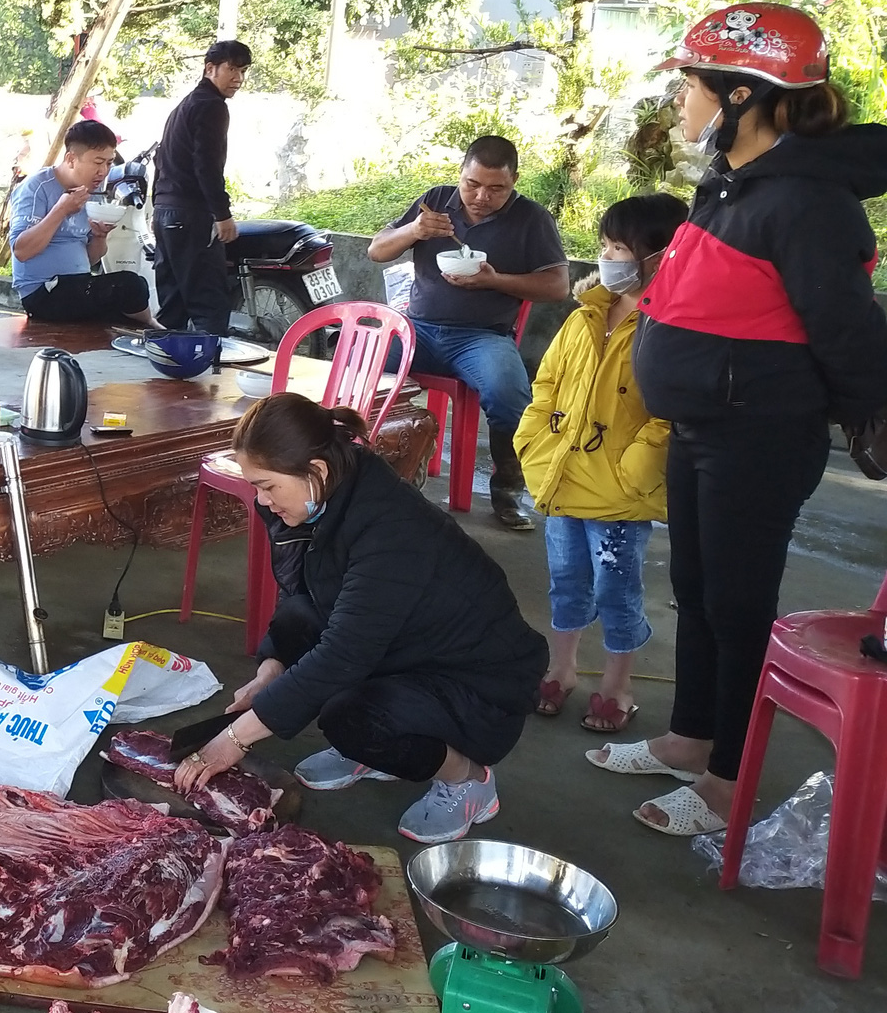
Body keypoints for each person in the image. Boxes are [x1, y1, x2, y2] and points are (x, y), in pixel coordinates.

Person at [589, 2, 887, 838]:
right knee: (696, 588)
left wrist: (868, 408)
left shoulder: (805, 202)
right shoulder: (730, 182)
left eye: (690, 83)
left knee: (738, 599)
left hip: (757, 433)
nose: (680, 99)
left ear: (743, 94)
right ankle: (691, 735)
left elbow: (846, 325)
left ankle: (729, 783)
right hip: (702, 427)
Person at [173, 393, 548, 844]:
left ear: (318, 470)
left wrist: (234, 739)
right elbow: (302, 597)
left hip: (476, 679)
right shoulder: (313, 498)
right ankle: (374, 755)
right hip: (404, 643)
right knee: (296, 618)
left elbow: (344, 653)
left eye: (268, 485)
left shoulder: (391, 526)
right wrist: (271, 670)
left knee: (351, 719)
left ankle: (467, 780)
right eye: (255, 484)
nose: (261, 500)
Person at [519, 193, 687, 734]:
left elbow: (673, 410)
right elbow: (546, 382)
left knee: (618, 590)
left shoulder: (671, 324)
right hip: (563, 477)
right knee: (566, 580)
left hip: (619, 493)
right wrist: (536, 440)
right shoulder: (586, 314)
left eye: (622, 247)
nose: (608, 257)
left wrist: (634, 469)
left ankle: (618, 685)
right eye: (606, 245)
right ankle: (561, 668)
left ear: (660, 255)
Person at [367, 136, 571, 531]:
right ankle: (364, 474)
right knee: (358, 368)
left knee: (510, 396)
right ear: (460, 175)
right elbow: (377, 251)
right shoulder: (436, 200)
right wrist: (414, 230)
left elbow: (558, 287)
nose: (481, 196)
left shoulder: (532, 218)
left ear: (515, 181)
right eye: (472, 184)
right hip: (419, 329)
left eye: (497, 189)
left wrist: (495, 281)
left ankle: (508, 492)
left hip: (481, 336)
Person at [9, 119, 157, 326]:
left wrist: (99, 236)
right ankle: (153, 327)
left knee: (123, 309)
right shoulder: (36, 188)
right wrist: (60, 210)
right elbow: (22, 251)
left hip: (78, 287)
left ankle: (149, 332)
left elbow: (90, 258)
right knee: (130, 286)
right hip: (44, 291)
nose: (104, 171)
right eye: (98, 162)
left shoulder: (92, 192)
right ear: (70, 159)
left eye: (108, 163)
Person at [152, 39, 248, 334]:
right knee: (210, 305)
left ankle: (167, 376)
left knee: (173, 307)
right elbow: (206, 166)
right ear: (210, 68)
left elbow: (161, 159)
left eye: (243, 71)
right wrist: (222, 214)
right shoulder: (211, 106)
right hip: (191, 216)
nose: (238, 79)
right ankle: (212, 377)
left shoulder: (186, 105)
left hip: (165, 213)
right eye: (231, 69)